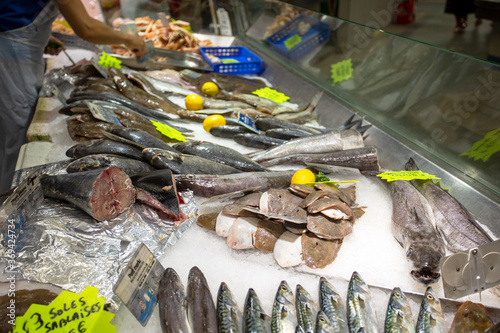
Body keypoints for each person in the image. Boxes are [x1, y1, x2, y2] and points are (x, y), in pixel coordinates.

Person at [0, 0, 146, 194]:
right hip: (11, 58)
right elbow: (87, 28)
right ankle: (6, 201)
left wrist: (41, 35)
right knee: (13, 134)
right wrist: (130, 40)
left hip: (19, 49)